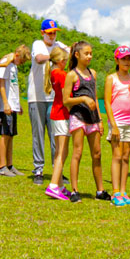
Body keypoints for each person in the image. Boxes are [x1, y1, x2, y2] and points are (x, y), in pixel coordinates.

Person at [62, 41, 106, 200]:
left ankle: (100, 191)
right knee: (78, 153)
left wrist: (100, 119)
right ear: (77, 54)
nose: (89, 56)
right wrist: (83, 99)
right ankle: (74, 190)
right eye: (86, 53)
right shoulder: (72, 75)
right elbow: (66, 100)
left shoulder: (92, 73)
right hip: (78, 117)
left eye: (91, 53)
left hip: (93, 119)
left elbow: (94, 97)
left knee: (97, 154)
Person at [27, 20, 68, 184]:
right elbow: (38, 58)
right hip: (37, 96)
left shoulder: (58, 44)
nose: (52, 36)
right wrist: (56, 55)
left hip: (54, 98)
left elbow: (71, 51)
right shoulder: (38, 44)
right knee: (38, 134)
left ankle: (57, 169)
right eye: (49, 32)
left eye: (54, 32)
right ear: (42, 33)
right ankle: (38, 169)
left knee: (56, 135)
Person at [106, 46, 130, 207]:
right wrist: (113, 125)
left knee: (126, 157)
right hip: (117, 122)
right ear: (117, 60)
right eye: (124, 59)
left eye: (129, 59)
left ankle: (123, 191)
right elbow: (107, 102)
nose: (127, 62)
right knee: (117, 156)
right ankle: (115, 192)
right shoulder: (111, 79)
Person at [44, 46, 77, 201]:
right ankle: (53, 186)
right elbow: (66, 97)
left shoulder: (53, 73)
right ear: (61, 61)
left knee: (59, 151)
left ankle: (60, 186)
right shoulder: (62, 74)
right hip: (62, 114)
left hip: (56, 114)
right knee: (62, 152)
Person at [0, 43, 28, 177]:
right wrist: (6, 103)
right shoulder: (5, 64)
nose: (21, 63)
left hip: (13, 105)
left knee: (11, 135)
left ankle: (9, 164)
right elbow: (1, 84)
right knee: (5, 135)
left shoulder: (14, 66)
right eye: (22, 60)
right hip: (5, 106)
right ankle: (2, 166)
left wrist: (17, 104)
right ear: (17, 55)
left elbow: (13, 86)